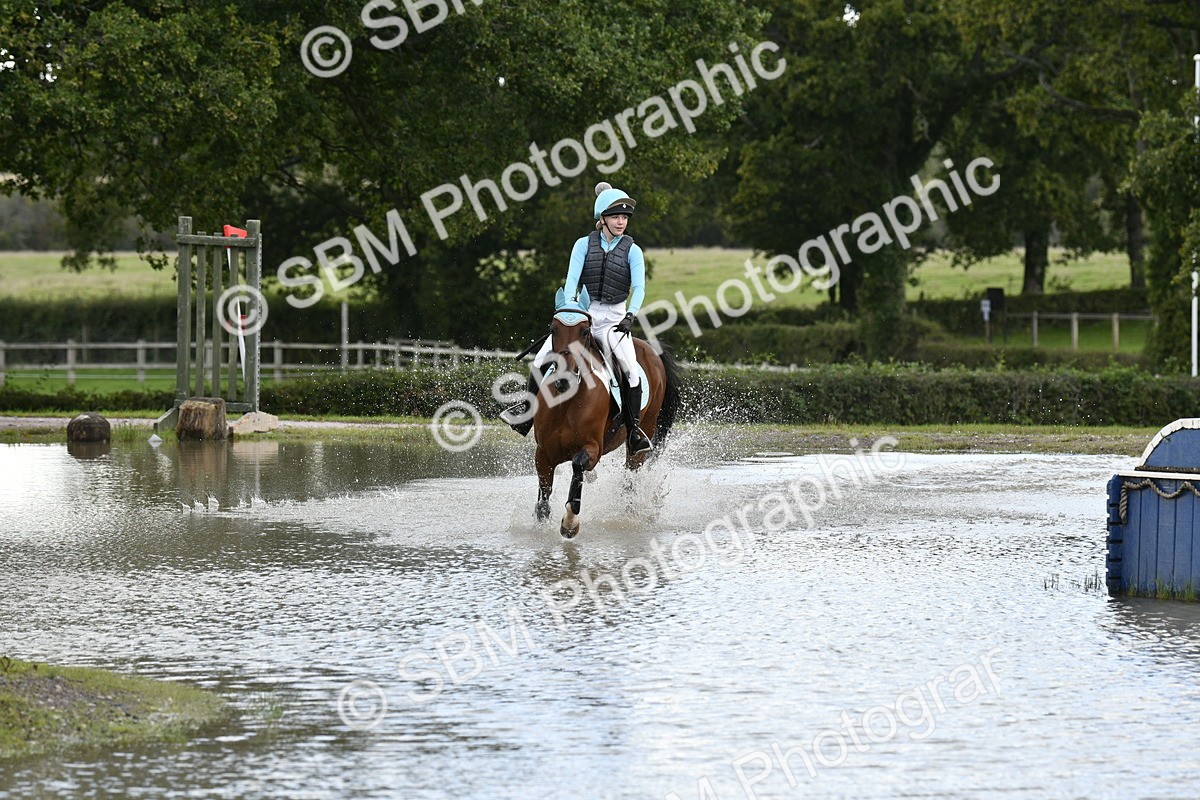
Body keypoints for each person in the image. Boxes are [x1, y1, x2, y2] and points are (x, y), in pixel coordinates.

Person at [501, 181, 653, 454]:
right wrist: (570, 309)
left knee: (631, 371)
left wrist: (631, 314)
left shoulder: (633, 250)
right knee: (541, 357)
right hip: (583, 313)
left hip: (614, 319)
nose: (621, 222)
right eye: (616, 217)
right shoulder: (583, 245)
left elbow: (639, 287)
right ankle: (526, 412)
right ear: (602, 219)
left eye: (625, 217)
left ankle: (634, 433)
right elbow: (571, 282)